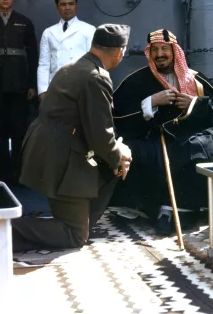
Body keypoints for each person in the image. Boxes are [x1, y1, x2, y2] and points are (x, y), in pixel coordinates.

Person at [12, 24, 132, 252]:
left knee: (113, 165)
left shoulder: (72, 66)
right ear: (119, 52)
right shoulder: (96, 77)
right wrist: (120, 155)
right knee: (75, 235)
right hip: (62, 156)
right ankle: (2, 231)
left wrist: (115, 154)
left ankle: (76, 222)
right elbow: (100, 134)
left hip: (49, 148)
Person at [112, 29, 213, 235]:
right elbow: (119, 115)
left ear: (175, 51)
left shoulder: (195, 80)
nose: (159, 54)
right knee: (137, 151)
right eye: (155, 50)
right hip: (155, 137)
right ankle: (156, 206)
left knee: (199, 146)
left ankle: (189, 207)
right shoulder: (136, 81)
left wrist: (195, 104)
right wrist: (150, 102)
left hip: (191, 136)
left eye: (164, 49)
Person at [0, 0, 38, 183]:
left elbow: (33, 56)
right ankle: (0, 175)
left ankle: (19, 174)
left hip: (18, 85)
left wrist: (32, 84)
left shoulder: (24, 22)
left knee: (19, 130)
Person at [37, 0, 96, 100]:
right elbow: (44, 64)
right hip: (55, 87)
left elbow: (93, 62)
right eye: (63, 4)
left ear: (76, 6)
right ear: (57, 8)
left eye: (71, 4)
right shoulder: (48, 32)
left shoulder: (89, 30)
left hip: (80, 87)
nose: (67, 8)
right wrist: (42, 91)